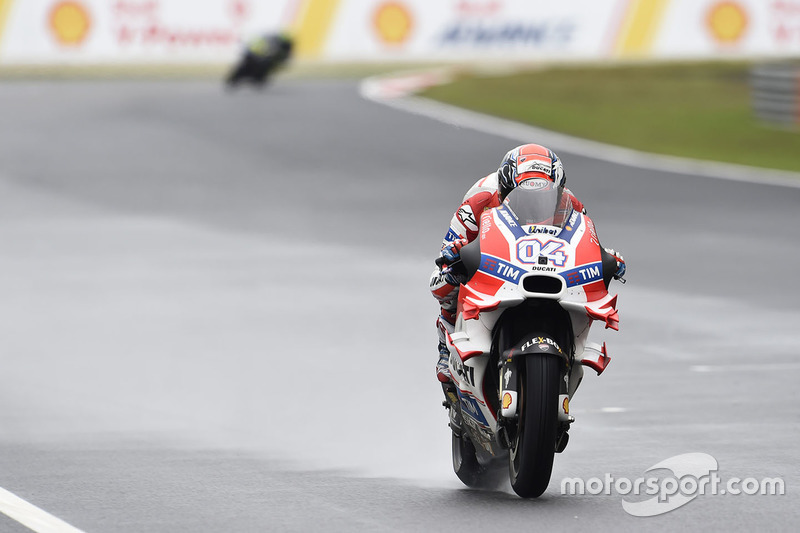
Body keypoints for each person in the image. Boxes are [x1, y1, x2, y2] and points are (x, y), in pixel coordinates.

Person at [429, 143, 626, 383]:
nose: (532, 203)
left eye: (543, 195)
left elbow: (583, 242)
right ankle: (444, 347)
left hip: (543, 263)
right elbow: (446, 255)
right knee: (445, 284)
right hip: (493, 260)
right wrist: (455, 256)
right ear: (504, 188)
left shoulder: (571, 205)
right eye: (522, 193)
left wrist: (607, 257)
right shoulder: (478, 202)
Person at [226, 32, 294, 88]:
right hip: (253, 56)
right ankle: (236, 78)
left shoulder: (283, 52)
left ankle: (257, 77)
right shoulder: (270, 41)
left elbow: (282, 65)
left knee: (262, 76)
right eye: (284, 46)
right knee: (244, 66)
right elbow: (252, 47)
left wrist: (277, 64)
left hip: (262, 62)